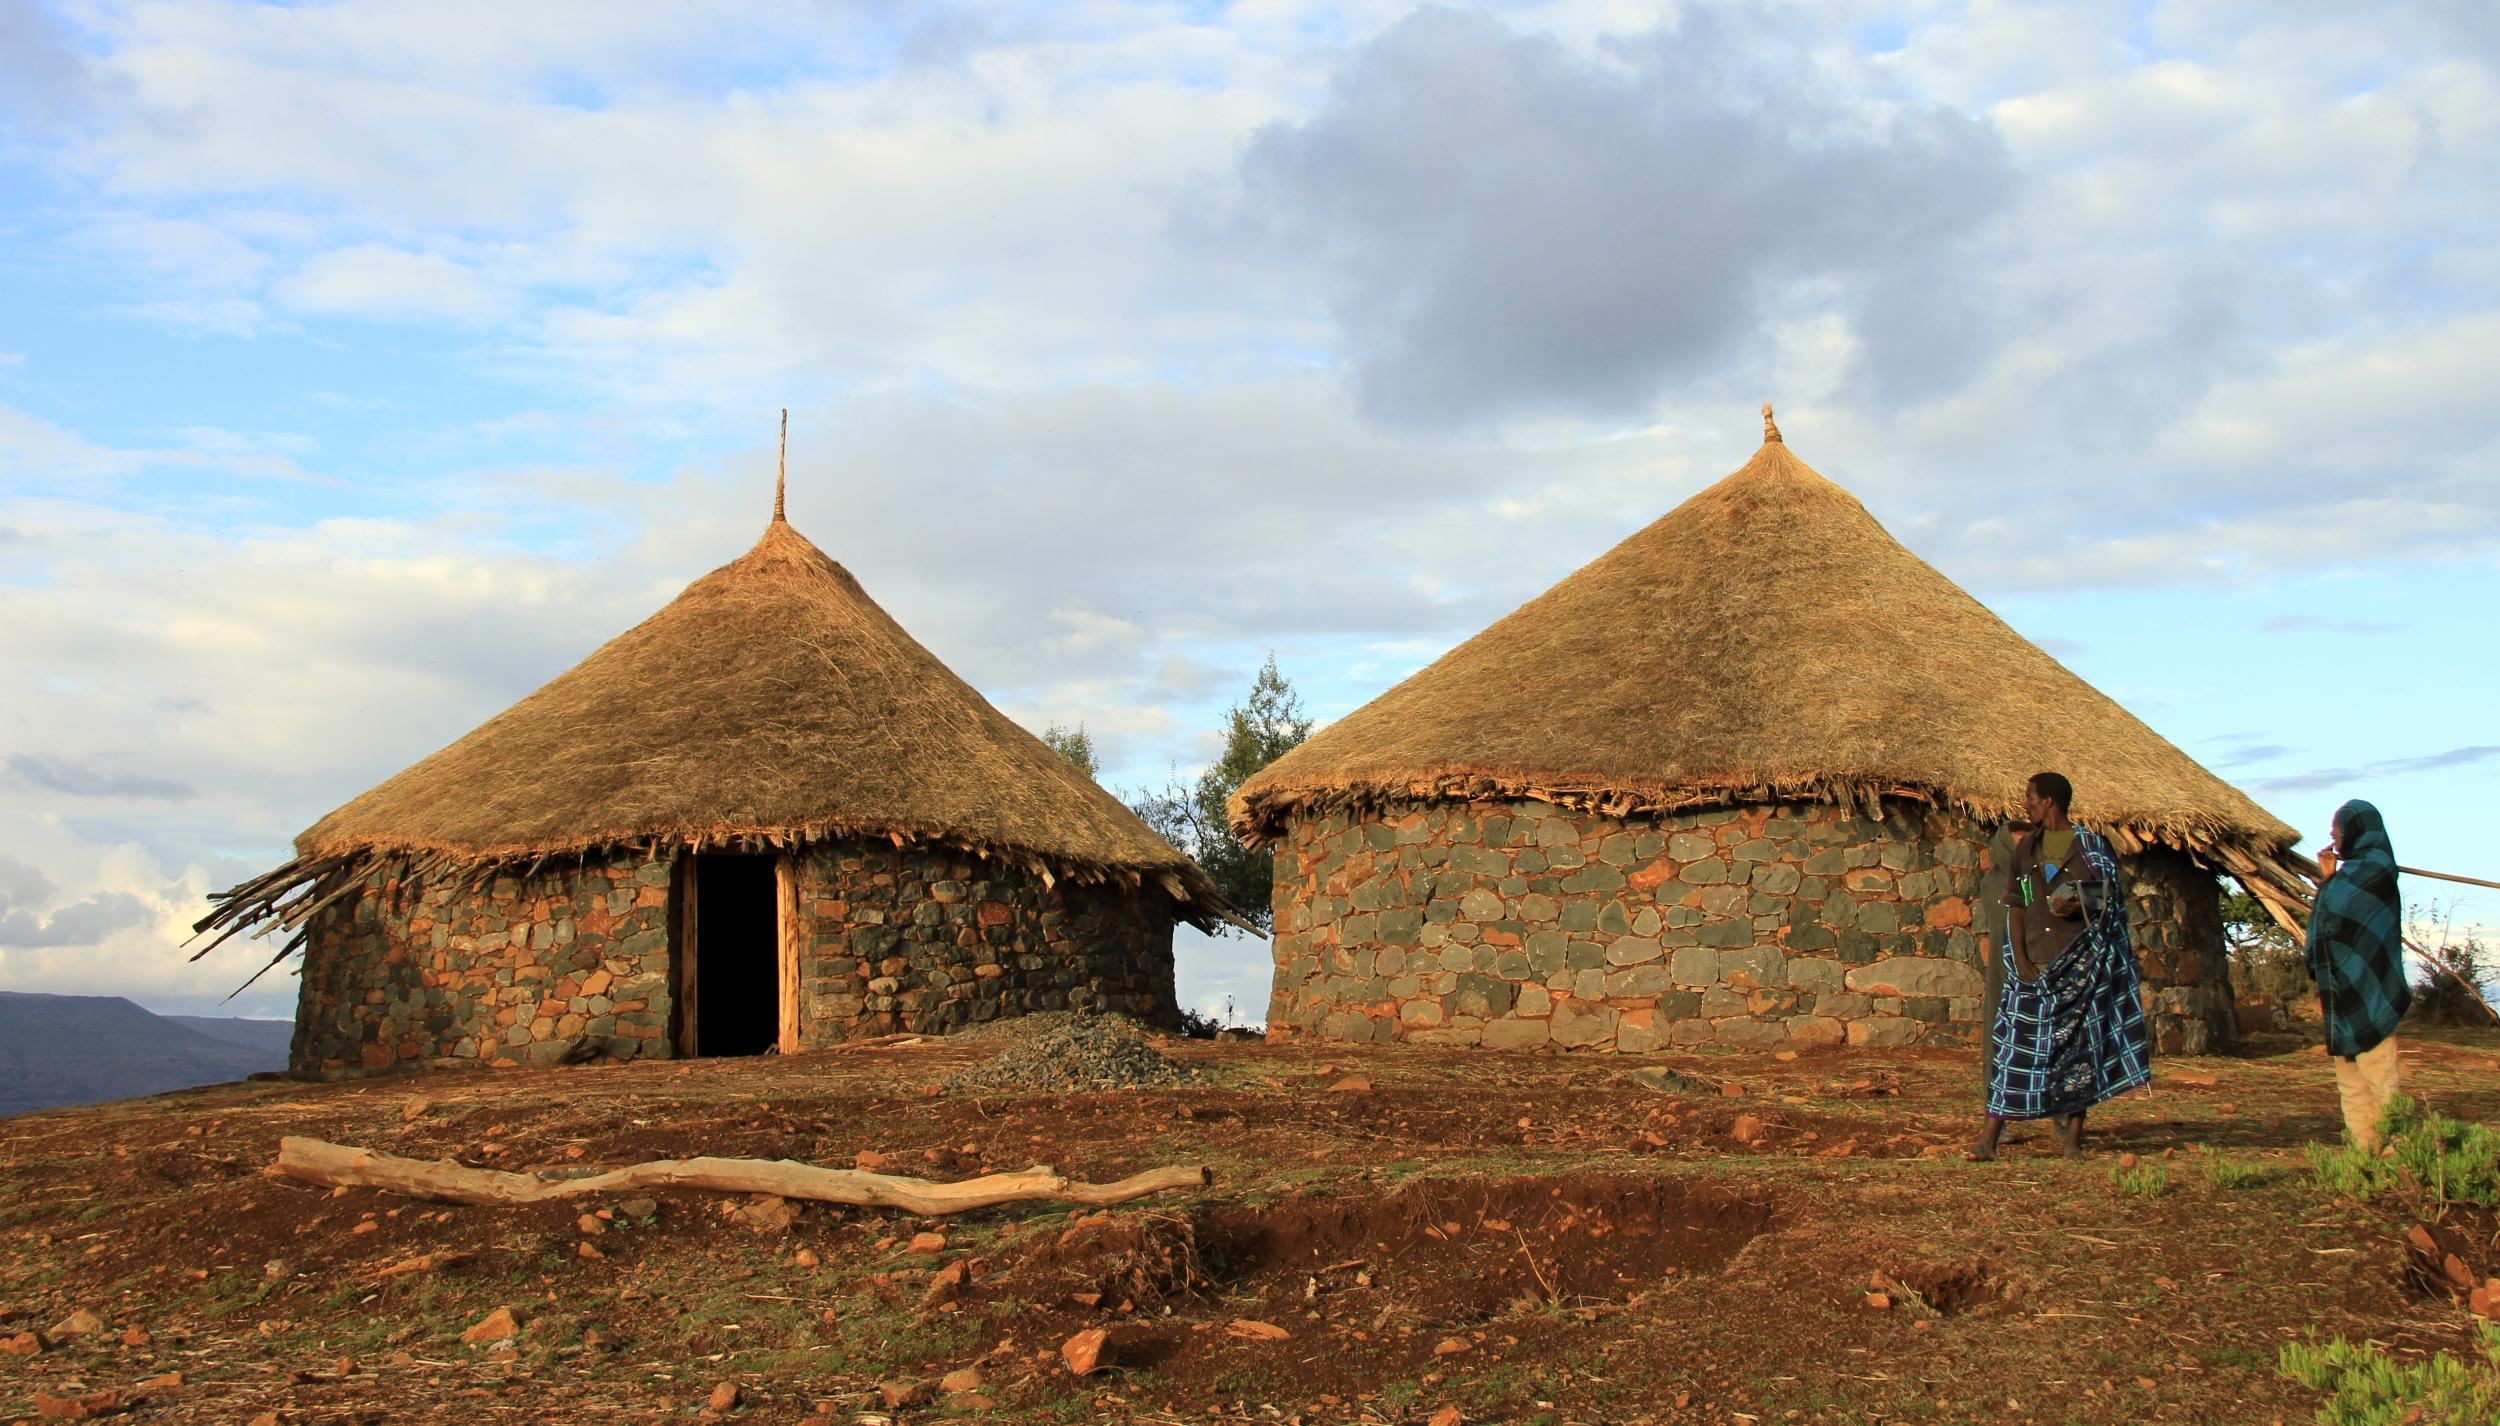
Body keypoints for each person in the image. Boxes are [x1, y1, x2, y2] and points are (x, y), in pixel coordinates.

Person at [1969, 771, 2151, 1160]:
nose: (2026, 804)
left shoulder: (2089, 846)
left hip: (2078, 960)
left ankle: (2072, 1141)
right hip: (2034, 960)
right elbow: (2017, 905)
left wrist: (2079, 902)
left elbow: (2109, 898)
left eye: (2031, 798)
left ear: (2049, 801)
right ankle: (1988, 1139)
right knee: (2014, 1048)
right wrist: (2019, 958)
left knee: (2078, 1052)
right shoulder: (2027, 851)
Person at [2307, 800, 2409, 1151]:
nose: (2332, 833)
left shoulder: (2376, 871)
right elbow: (2326, 921)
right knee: (2350, 1081)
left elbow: (2343, 913)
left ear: (2358, 829)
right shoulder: (2348, 873)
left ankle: (2396, 1154)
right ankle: (2364, 1152)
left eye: (2338, 826)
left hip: (2369, 989)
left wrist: (2332, 882)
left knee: (2380, 1075)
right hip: (2340, 990)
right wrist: (2328, 879)